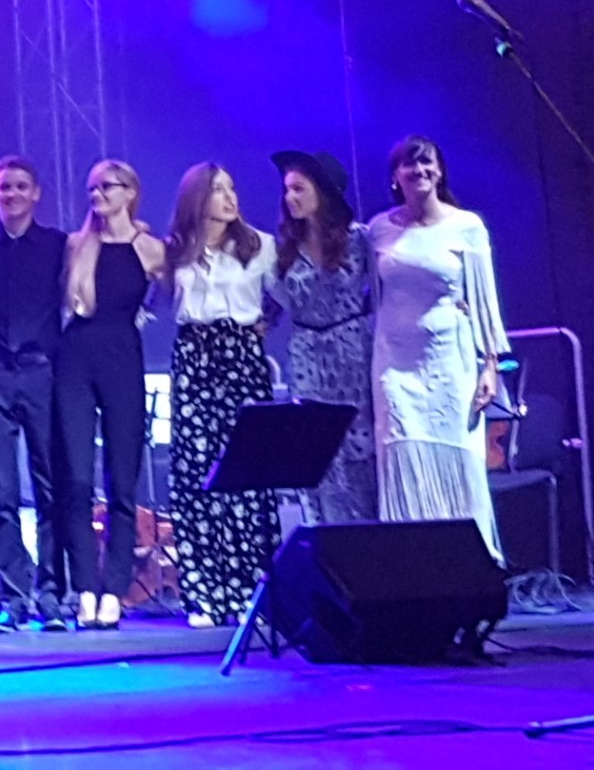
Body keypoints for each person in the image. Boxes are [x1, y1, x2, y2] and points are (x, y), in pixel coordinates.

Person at [369, 135, 508, 561]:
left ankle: (470, 562)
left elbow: (483, 300)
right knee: (403, 456)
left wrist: (490, 366)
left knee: (460, 461)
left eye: (427, 162)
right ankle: (414, 562)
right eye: (409, 164)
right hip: (394, 362)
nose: (419, 170)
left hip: (451, 361)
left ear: (440, 170)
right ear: (395, 176)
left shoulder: (466, 226)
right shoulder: (378, 229)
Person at [162, 162, 278, 628]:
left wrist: (261, 327)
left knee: (248, 470)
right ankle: (205, 593)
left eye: (232, 188)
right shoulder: (174, 251)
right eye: (218, 190)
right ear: (197, 198)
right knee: (197, 472)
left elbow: (284, 297)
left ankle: (253, 591)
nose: (230, 197)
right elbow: (150, 302)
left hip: (241, 357)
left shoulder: (259, 246)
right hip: (194, 357)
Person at [0, 156, 66, 632]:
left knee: (49, 486)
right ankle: (15, 598)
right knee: (1, 491)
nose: (13, 194)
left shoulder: (57, 245)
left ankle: (52, 594)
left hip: (42, 371)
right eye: (5, 186)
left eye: (21, 186)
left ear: (36, 193)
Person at [57, 159, 166, 630]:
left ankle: (115, 588)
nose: (97, 194)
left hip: (123, 357)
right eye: (92, 188)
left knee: (123, 480)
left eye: (106, 186)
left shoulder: (151, 249)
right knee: (78, 479)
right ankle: (84, 585)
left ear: (130, 192)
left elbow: (171, 297)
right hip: (76, 357)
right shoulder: (77, 245)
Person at [269, 150, 377, 524]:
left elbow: (388, 290)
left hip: (352, 353)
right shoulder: (285, 249)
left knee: (361, 451)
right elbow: (271, 307)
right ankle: (325, 540)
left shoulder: (359, 240)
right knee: (317, 455)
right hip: (307, 356)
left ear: (323, 191)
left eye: (299, 189)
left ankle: (371, 541)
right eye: (287, 189)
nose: (290, 197)